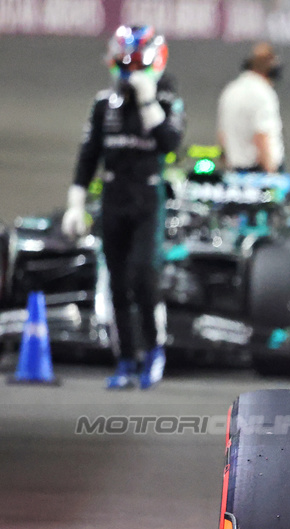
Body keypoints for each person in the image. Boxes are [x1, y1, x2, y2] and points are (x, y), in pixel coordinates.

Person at [63, 25, 184, 390]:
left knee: (144, 276)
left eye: (136, 63)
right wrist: (75, 204)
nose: (129, 71)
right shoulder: (103, 105)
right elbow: (88, 157)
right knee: (116, 284)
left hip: (147, 199)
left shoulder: (168, 104)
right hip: (112, 200)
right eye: (124, 63)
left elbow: (170, 144)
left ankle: (154, 350)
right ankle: (126, 359)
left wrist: (148, 102)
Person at [217, 42, 284, 173]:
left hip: (235, 170)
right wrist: (271, 172)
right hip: (259, 172)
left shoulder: (231, 90)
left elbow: (222, 135)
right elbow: (261, 135)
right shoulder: (263, 94)